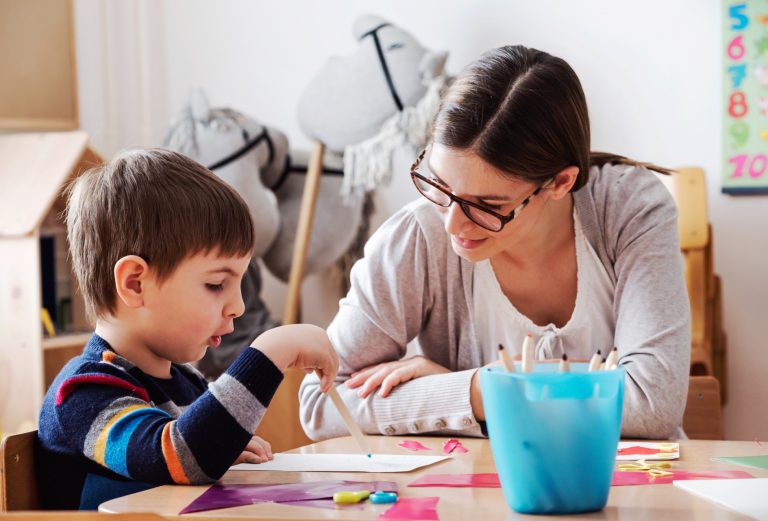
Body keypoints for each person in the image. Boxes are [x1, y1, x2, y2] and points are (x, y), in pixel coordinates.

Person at [300, 45, 690, 441]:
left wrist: (484, 389)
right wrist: (475, 391)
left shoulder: (627, 208)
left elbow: (651, 403)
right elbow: (321, 402)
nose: (453, 223)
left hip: (633, 491)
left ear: (560, 183)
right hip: (475, 494)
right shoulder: (418, 234)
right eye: (439, 183)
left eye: (487, 205)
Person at [37, 149, 339, 510]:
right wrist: (271, 351)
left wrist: (221, 443)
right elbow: (181, 455)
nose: (239, 307)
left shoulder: (186, 382)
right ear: (135, 284)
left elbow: (193, 457)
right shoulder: (83, 392)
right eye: (216, 285)